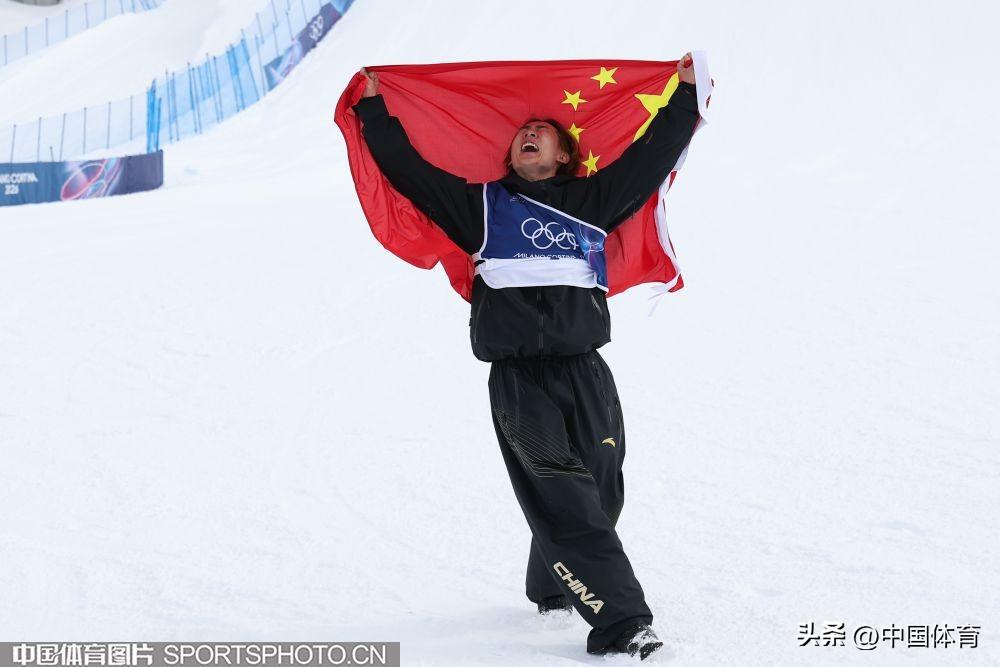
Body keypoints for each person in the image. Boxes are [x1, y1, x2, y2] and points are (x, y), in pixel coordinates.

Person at [352, 54, 700, 661]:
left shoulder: (593, 200)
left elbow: (651, 156)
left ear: (564, 156)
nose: (529, 134)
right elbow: (410, 172)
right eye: (521, 134)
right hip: (519, 383)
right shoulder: (480, 208)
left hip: (586, 372)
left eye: (542, 132)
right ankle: (622, 623)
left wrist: (685, 96)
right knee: (562, 492)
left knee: (600, 492)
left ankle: (552, 584)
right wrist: (376, 109)